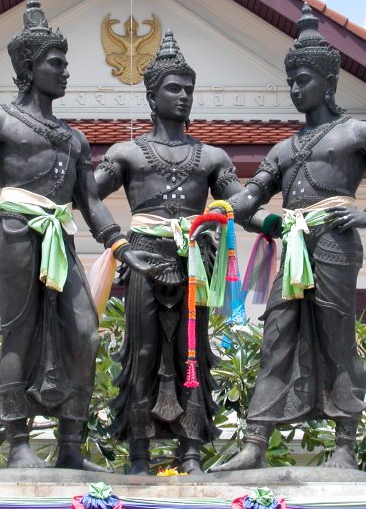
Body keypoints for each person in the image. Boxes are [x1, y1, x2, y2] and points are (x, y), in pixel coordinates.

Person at [0, 0, 171, 470]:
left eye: (65, 62)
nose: (65, 71)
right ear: (29, 67)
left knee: (84, 330)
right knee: (20, 333)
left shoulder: (74, 137)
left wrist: (120, 245)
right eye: (57, 62)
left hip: (61, 234)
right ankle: (18, 445)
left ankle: (71, 446)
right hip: (17, 230)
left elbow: (90, 201)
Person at [210, 4, 366, 471]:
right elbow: (253, 196)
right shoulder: (283, 149)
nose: (294, 89)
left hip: (335, 242)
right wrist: (227, 211)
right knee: (276, 335)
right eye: (291, 81)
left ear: (328, 82)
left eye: (302, 79)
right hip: (294, 248)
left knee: (336, 337)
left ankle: (345, 445)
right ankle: (255, 442)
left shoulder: (359, 132)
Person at [94, 30, 245, 475]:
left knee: (192, 352)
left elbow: (241, 201)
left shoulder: (212, 158)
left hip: (193, 260)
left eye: (189, 89)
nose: (183, 97)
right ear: (152, 94)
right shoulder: (126, 153)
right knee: (140, 352)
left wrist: (238, 213)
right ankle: (138, 455)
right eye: (173, 88)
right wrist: (114, 240)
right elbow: (87, 193)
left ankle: (192, 452)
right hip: (143, 256)